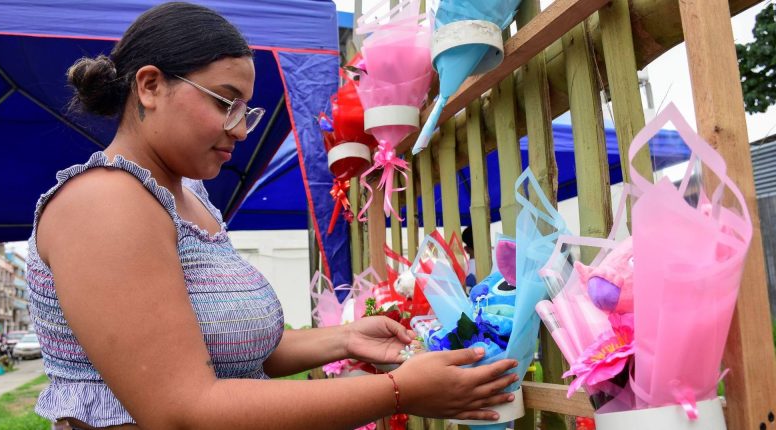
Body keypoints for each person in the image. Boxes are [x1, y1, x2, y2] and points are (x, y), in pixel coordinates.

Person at [26, 3, 519, 429]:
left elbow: (231, 346)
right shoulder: (104, 204)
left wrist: (344, 338)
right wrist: (399, 391)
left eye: (247, 111)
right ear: (151, 86)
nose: (239, 130)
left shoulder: (189, 196)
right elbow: (183, 411)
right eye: (225, 102)